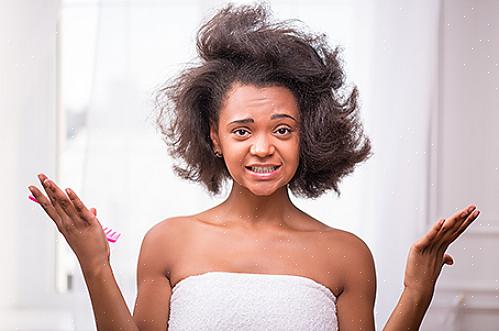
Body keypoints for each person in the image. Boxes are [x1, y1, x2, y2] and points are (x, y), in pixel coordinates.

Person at [28, 3, 480, 331]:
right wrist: (95, 265)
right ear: (214, 136)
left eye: (282, 130)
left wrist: (417, 293)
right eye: (242, 131)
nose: (263, 148)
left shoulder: (346, 255)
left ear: (307, 134)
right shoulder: (168, 242)